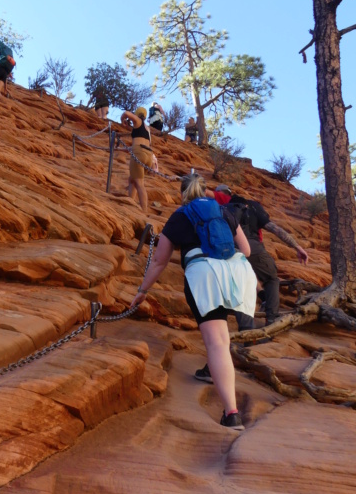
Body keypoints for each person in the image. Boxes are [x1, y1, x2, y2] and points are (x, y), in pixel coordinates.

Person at [130, 172, 257, 430]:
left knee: (217, 342)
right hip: (236, 275)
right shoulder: (224, 211)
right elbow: (246, 250)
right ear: (204, 190)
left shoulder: (179, 216)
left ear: (182, 193)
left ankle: (231, 413)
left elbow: (159, 261)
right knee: (222, 338)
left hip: (204, 277)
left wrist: (142, 290)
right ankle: (211, 371)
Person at [194, 182, 310, 383]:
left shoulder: (223, 206)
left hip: (227, 251)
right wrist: (297, 246)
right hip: (252, 248)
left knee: (238, 290)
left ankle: (243, 337)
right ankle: (272, 321)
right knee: (272, 278)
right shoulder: (253, 206)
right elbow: (276, 229)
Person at [121, 106, 154, 213]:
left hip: (139, 153)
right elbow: (142, 143)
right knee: (132, 179)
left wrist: (123, 120)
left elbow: (126, 113)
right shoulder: (147, 129)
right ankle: (130, 201)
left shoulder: (138, 121)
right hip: (148, 155)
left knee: (139, 183)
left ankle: (144, 211)